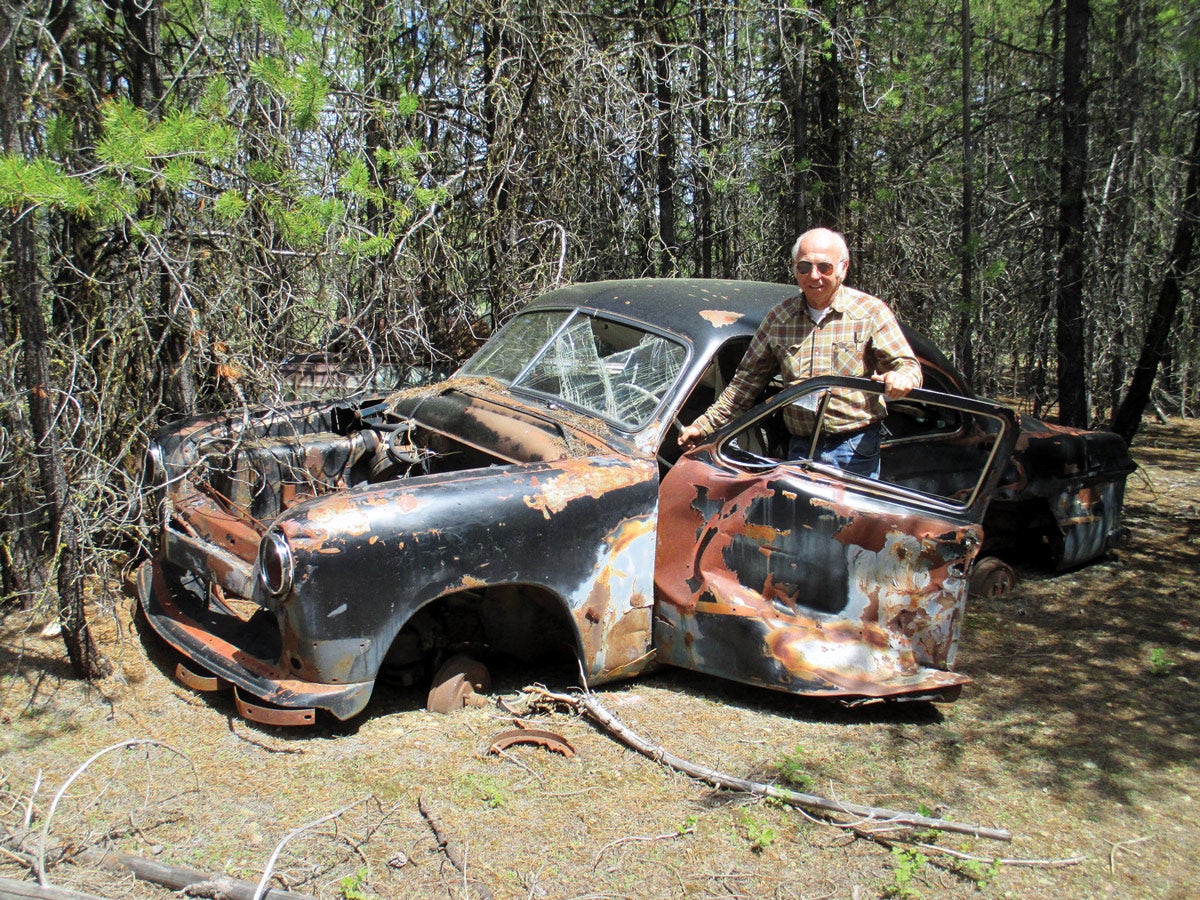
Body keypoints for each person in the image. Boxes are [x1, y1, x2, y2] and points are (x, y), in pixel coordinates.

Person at [677, 228, 922, 478]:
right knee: (800, 516)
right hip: (800, 448)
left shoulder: (870, 312)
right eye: (804, 267)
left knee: (848, 518)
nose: (814, 276)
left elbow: (908, 366)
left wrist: (901, 378)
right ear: (795, 269)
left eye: (824, 267)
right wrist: (704, 426)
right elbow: (744, 384)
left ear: (843, 268)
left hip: (854, 450)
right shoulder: (779, 319)